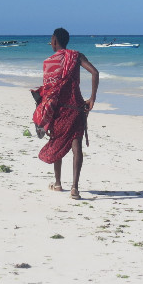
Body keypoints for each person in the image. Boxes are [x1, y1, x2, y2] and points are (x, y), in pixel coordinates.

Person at [32, 28, 99, 199]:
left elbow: (49, 93)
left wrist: (45, 116)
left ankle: (58, 183)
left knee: (57, 143)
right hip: (76, 108)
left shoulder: (49, 63)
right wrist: (92, 98)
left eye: (51, 40)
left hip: (58, 110)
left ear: (54, 41)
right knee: (77, 148)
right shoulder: (76, 56)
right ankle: (74, 188)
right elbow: (95, 72)